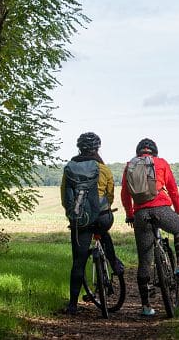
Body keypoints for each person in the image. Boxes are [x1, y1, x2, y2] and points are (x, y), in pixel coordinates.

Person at [121, 138, 179, 317]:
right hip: (162, 210)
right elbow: (172, 188)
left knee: (144, 260)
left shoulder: (130, 166)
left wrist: (130, 214)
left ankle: (146, 306)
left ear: (138, 152)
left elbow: (125, 194)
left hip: (141, 214)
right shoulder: (161, 163)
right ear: (155, 151)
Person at [60, 132, 123, 315]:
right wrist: (103, 208)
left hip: (82, 221)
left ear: (79, 148)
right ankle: (114, 262)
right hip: (102, 217)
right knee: (103, 232)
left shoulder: (70, 167)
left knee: (78, 262)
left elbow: (65, 196)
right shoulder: (104, 169)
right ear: (97, 148)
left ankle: (72, 305)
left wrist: (74, 215)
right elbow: (110, 195)